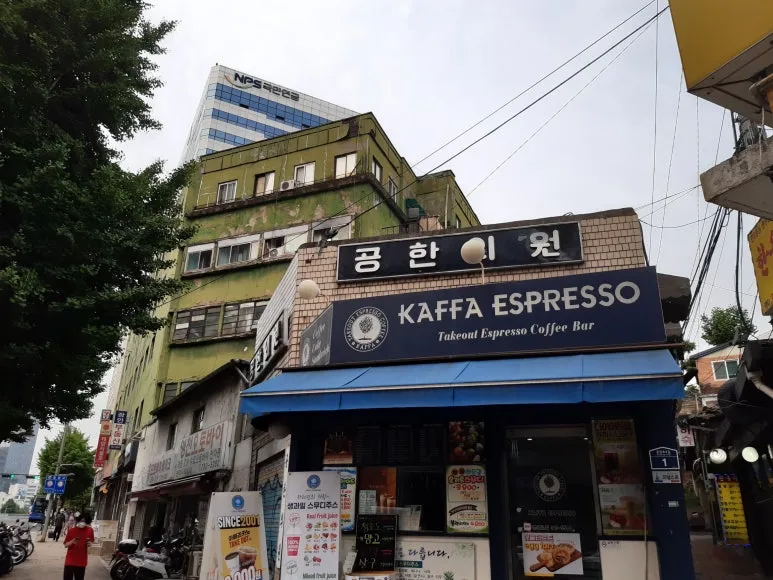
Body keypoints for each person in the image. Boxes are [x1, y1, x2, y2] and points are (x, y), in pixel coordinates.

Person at [63, 512, 94, 580]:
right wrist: (72, 541)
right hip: (70, 560)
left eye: (84, 521)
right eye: (81, 520)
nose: (82, 522)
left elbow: (91, 542)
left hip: (81, 561)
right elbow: (65, 545)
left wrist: (89, 543)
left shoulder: (90, 530)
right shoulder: (71, 531)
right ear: (78, 520)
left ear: (87, 521)